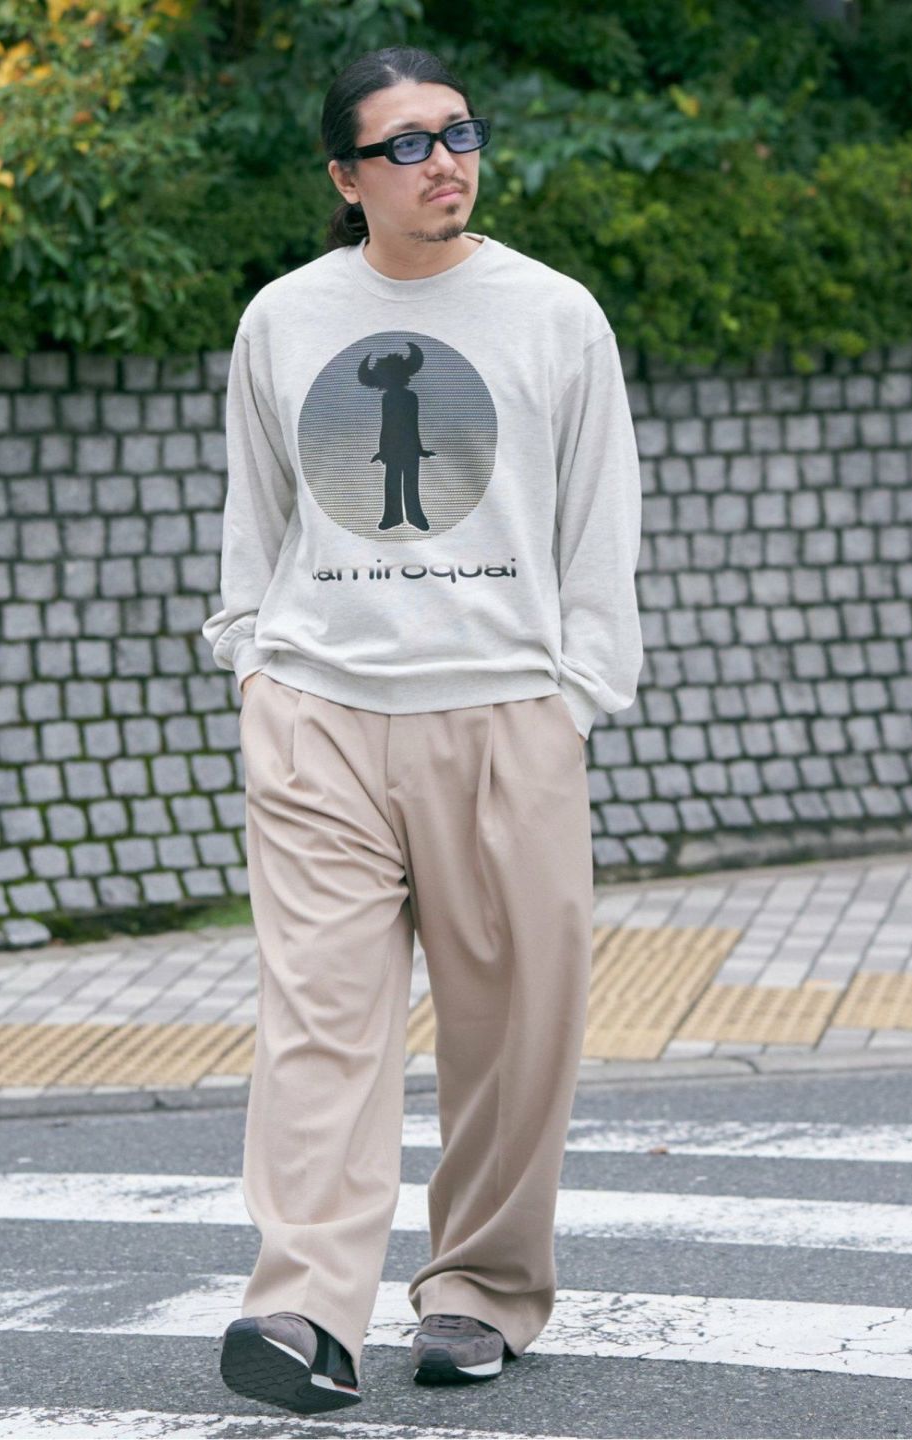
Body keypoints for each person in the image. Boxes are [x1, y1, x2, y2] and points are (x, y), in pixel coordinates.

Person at [202, 44, 643, 1418]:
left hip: (505, 713)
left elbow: (600, 519)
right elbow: (257, 512)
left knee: (512, 1033)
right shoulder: (286, 318)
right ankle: (302, 1310)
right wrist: (252, 663)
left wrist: (575, 696)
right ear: (347, 178)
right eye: (404, 144)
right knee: (320, 1024)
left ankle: (479, 1293)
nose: (442, 161)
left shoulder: (553, 314)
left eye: (456, 133)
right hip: (320, 715)